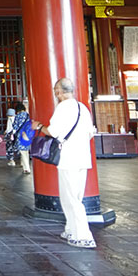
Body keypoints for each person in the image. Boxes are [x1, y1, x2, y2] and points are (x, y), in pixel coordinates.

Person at [32, 77, 97, 249]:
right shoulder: (83, 108)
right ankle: (70, 229)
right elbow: (90, 133)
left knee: (71, 199)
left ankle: (83, 236)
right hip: (83, 157)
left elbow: (52, 132)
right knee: (75, 196)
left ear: (59, 92)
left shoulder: (62, 108)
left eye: (56, 90)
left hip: (69, 158)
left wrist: (38, 126)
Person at [12, 102, 31, 174]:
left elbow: (15, 126)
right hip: (28, 135)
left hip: (20, 135)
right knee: (26, 151)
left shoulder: (18, 116)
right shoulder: (28, 115)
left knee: (22, 152)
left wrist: (12, 134)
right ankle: (23, 164)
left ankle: (27, 168)